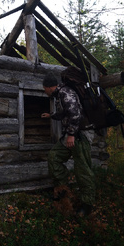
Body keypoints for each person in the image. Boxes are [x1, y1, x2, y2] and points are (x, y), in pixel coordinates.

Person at [41, 73, 95, 217]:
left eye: (44, 89)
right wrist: (51, 115)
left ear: (49, 87)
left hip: (80, 135)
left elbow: (75, 115)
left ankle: (87, 205)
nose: (44, 92)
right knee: (54, 157)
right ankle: (63, 189)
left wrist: (71, 134)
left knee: (82, 169)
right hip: (70, 136)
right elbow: (65, 113)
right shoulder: (60, 95)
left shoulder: (66, 93)